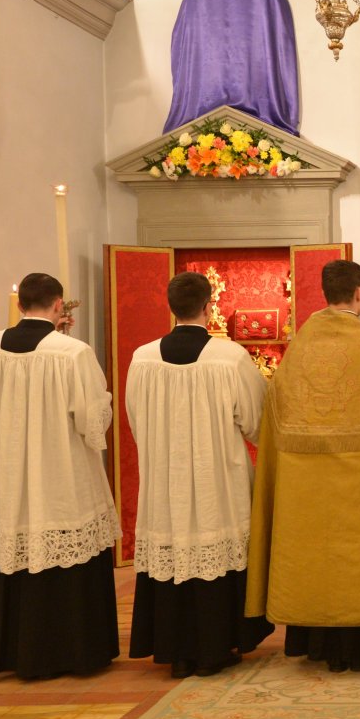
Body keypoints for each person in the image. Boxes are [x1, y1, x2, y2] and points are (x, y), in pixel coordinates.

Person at [246, 260, 360, 673]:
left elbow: (275, 408)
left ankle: (314, 642)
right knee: (359, 554)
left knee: (312, 552)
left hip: (306, 480)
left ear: (324, 293)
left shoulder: (299, 348)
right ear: (358, 294)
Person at [0, 272, 119, 679]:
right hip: (59, 477)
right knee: (68, 556)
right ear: (58, 305)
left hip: (8, 480)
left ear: (20, 305)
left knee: (19, 551)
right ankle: (74, 654)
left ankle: (17, 654)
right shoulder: (72, 352)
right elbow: (92, 422)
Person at [126, 272, 272, 679]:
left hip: (165, 482)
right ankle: (216, 646)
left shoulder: (142, 358)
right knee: (215, 551)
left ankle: (176, 649)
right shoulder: (230, 358)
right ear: (210, 306)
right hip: (216, 482)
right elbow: (256, 421)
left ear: (170, 307)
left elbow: (136, 420)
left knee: (173, 551)